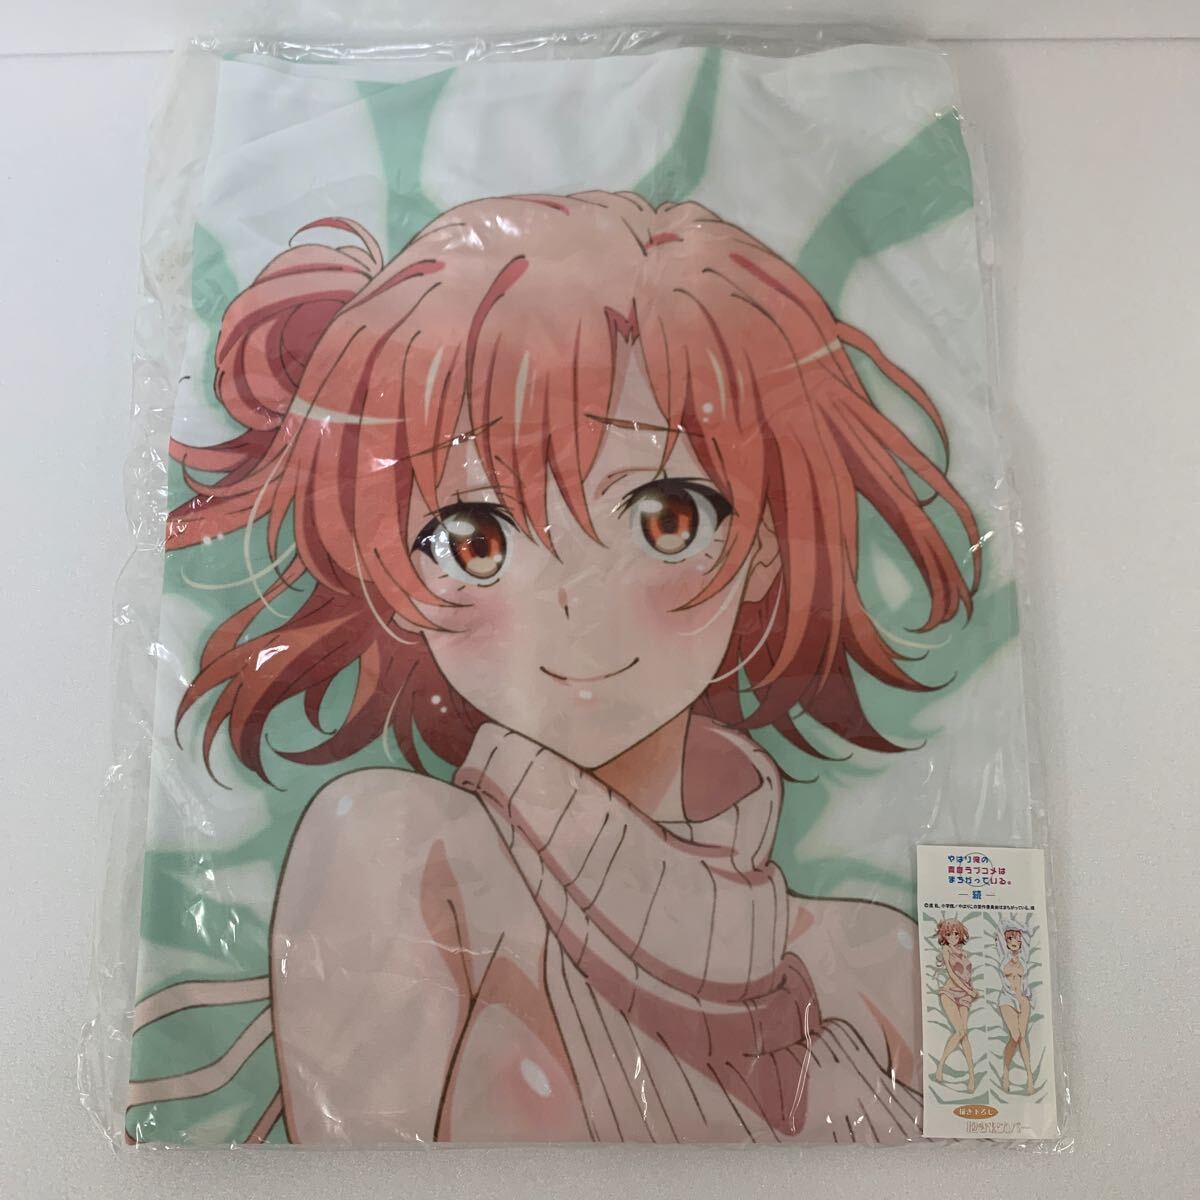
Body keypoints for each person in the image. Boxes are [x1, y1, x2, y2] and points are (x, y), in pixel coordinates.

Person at [143, 190, 980, 1144]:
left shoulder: (884, 965)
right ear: (393, 571)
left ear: (761, 546)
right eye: (477, 537)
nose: (576, 606)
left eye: (666, 517)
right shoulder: (410, 857)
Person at [932, 918, 978, 1091]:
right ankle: (941, 1066)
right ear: (944, 936)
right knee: (960, 1031)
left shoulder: (964, 953)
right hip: (950, 993)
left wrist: (970, 991)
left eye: (956, 933)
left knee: (964, 1035)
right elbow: (951, 974)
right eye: (949, 934)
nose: (952, 937)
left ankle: (971, 1077)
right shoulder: (946, 949)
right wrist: (969, 991)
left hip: (965, 996)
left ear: (961, 935)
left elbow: (967, 976)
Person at [997, 925, 1034, 1093]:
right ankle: (1005, 1072)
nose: (1014, 942)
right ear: (1005, 941)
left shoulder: (1023, 958)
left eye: (1017, 939)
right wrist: (1013, 928)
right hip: (1007, 1000)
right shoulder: (1002, 956)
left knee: (1022, 1038)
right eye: (1010, 938)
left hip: (1023, 1000)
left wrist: (1021, 931)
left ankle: (1030, 1077)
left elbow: (1028, 933)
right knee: (1015, 1035)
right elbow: (1000, 927)